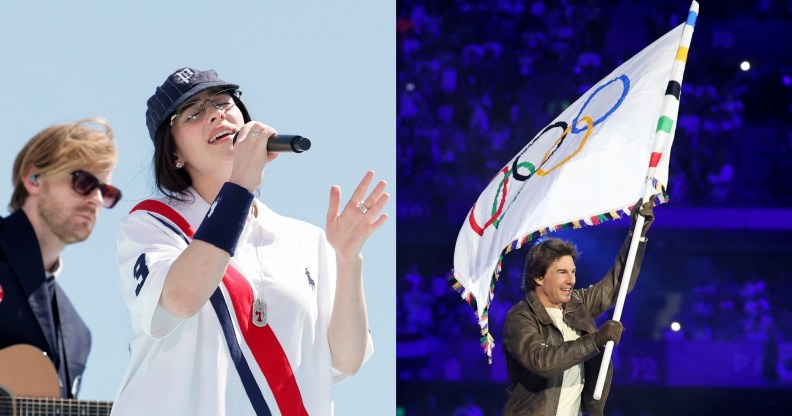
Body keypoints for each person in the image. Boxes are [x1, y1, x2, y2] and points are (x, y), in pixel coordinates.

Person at [111, 67, 388, 416]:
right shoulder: (153, 223)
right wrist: (240, 184)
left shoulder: (307, 239)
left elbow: (347, 361)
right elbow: (181, 299)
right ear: (174, 154)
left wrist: (348, 260)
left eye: (224, 101)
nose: (215, 113)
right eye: (193, 113)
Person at [0, 118, 121, 399]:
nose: (96, 199)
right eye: (84, 182)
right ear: (33, 180)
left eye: (106, 192)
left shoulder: (78, 335)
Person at [502, 199, 655, 416]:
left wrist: (636, 236)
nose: (571, 280)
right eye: (562, 272)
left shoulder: (576, 304)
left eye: (572, 271)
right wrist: (596, 340)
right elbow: (542, 361)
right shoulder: (521, 317)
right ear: (538, 277)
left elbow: (616, 285)